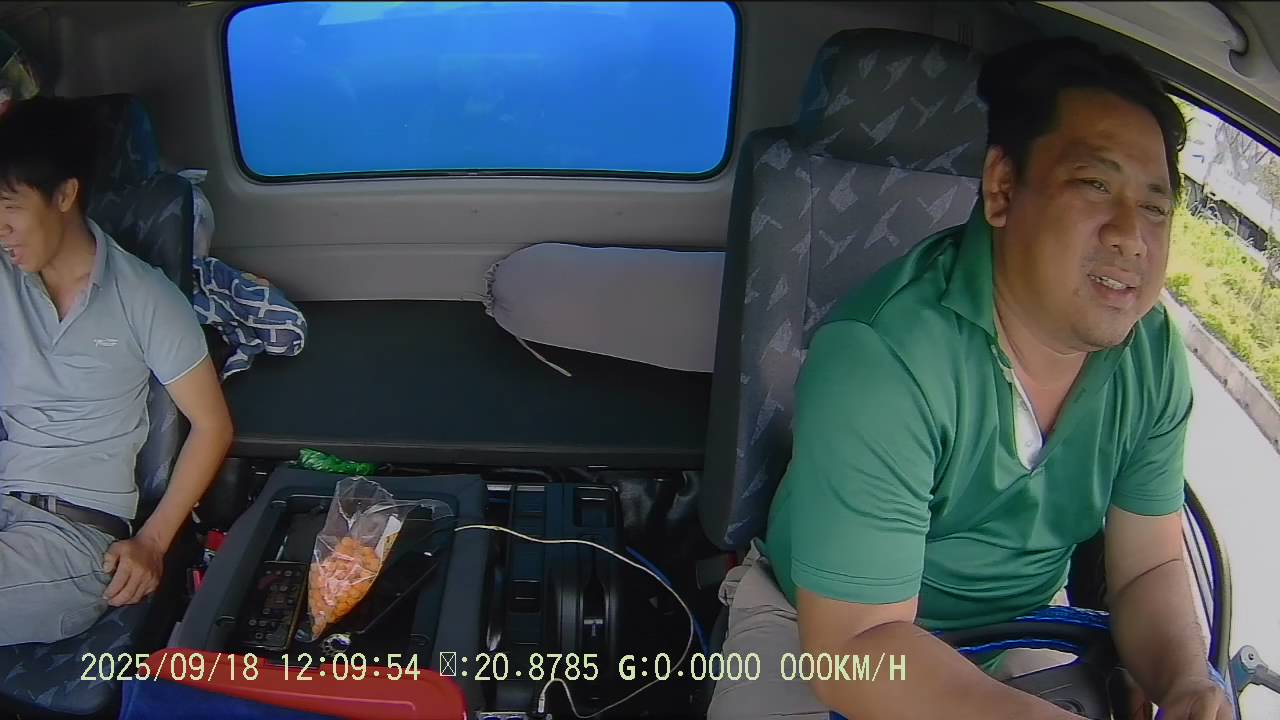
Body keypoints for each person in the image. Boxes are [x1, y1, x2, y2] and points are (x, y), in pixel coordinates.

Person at [709, 37, 1234, 720]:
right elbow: (855, 646)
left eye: (1156, 207)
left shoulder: (1150, 352)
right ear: (1002, 188)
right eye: (1095, 185)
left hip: (1023, 621)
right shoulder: (881, 358)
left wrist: (1186, 679)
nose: (1131, 236)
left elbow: (1149, 568)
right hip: (818, 624)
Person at [0, 96, 233, 645]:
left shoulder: (144, 296)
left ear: (64, 195)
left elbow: (213, 426)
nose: (0, 230)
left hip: (72, 537)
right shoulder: (6, 279)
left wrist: (153, 542)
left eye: (9, 208)